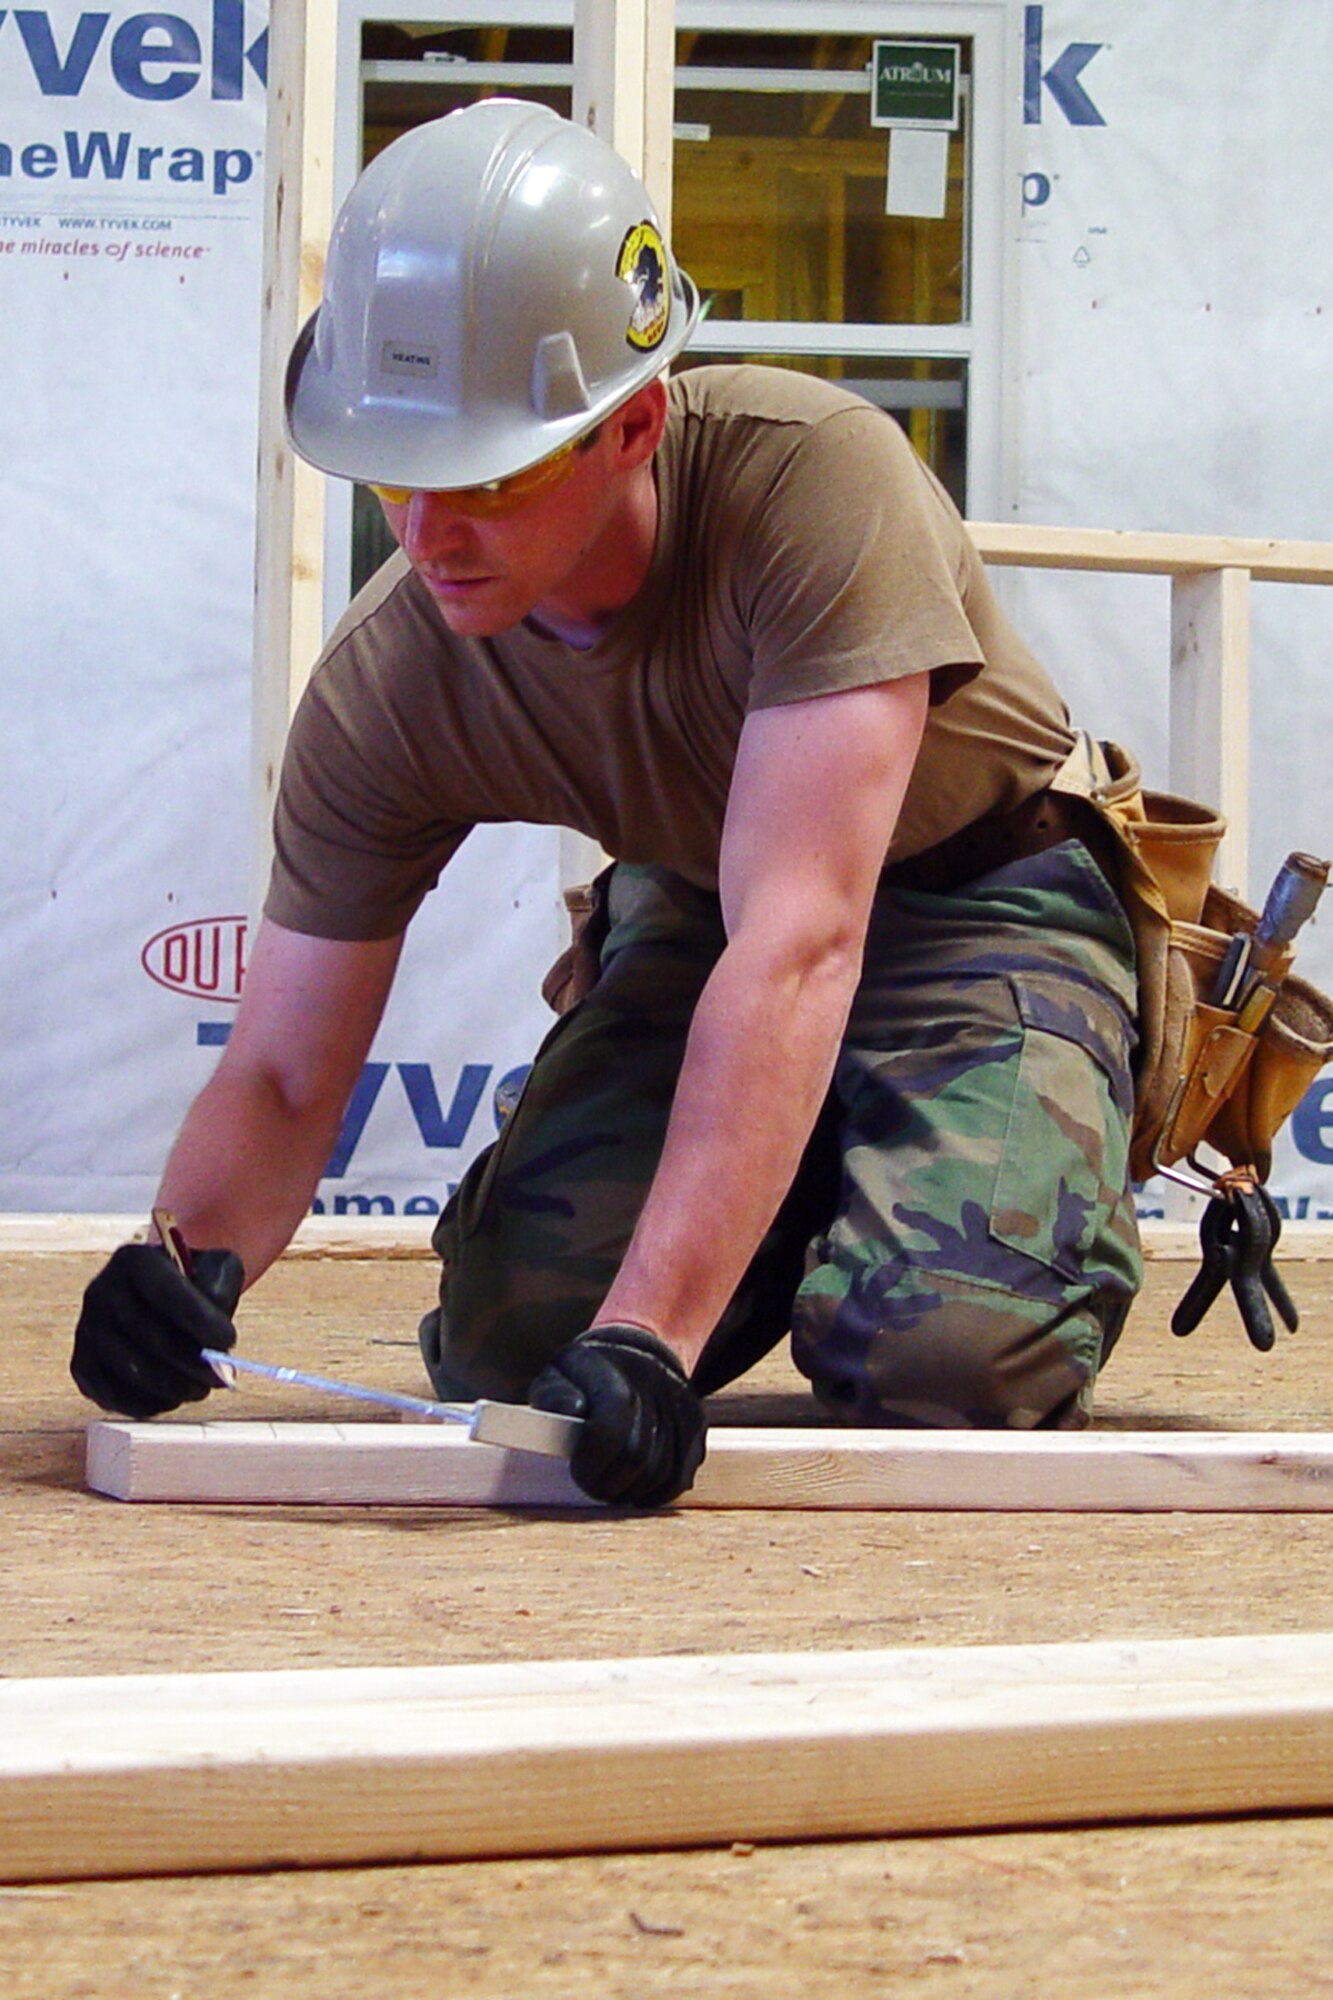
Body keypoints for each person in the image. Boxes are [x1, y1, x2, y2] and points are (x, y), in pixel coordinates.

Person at [71, 99, 1143, 1507]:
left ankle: (924, 1177)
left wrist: (651, 1331)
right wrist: (179, 1260)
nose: (429, 532)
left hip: (972, 903)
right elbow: (279, 1065)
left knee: (941, 1358)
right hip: (706, 919)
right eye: (395, 472)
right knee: (516, 1352)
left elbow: (804, 943)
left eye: (490, 476)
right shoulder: (387, 689)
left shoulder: (809, 482)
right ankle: (801, 1187)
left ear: (631, 423)